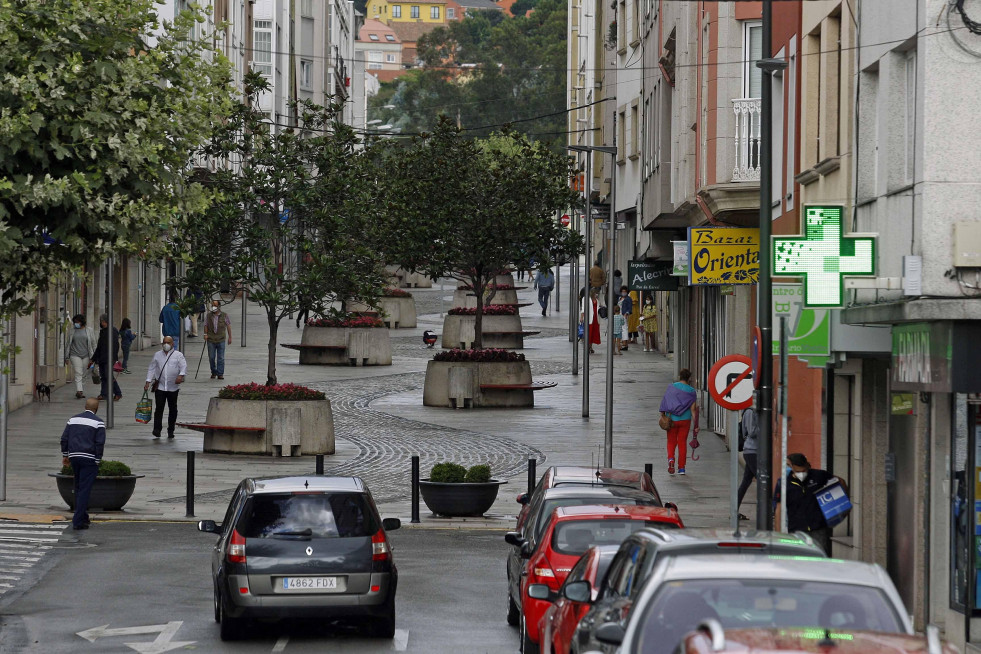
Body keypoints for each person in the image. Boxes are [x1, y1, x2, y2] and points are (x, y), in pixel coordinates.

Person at [777, 453, 839, 555]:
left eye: (803, 470)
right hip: (797, 530)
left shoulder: (819, 476)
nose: (801, 473)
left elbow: (839, 482)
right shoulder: (784, 483)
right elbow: (779, 509)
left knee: (820, 557)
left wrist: (841, 507)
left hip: (818, 529)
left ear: (807, 466)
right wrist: (779, 534)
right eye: (798, 471)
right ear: (792, 467)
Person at [60, 398, 106, 530]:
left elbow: (64, 438)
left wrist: (65, 455)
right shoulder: (98, 422)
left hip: (74, 456)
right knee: (85, 489)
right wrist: (97, 459)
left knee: (79, 487)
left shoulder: (73, 419)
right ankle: (78, 520)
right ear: (96, 409)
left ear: (85, 406)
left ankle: (83, 516)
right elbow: (99, 443)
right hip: (89, 458)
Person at [144, 336, 187, 439]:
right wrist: (148, 381)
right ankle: (157, 429)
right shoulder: (157, 355)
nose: (166, 344)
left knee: (173, 409)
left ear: (172, 344)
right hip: (160, 387)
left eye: (168, 342)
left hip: (173, 387)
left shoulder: (178, 355)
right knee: (159, 408)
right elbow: (152, 368)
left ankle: (171, 430)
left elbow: (183, 366)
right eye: (164, 342)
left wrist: (180, 376)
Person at [658, 369, 699, 475]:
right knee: (682, 443)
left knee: (671, 441)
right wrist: (696, 425)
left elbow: (665, 401)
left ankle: (671, 459)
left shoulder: (671, 387)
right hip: (685, 420)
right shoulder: (691, 391)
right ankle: (681, 468)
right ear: (689, 378)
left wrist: (662, 414)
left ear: (680, 376)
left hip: (672, 419)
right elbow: (693, 410)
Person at [91, 314, 122, 402]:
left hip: (109, 358)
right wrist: (94, 358)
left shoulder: (113, 331)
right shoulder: (103, 331)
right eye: (101, 321)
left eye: (103, 321)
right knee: (103, 376)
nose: (102, 323)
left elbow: (115, 345)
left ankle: (118, 393)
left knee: (108, 376)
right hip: (102, 358)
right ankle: (104, 394)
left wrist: (113, 358)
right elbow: (99, 346)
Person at [736, 406, 759, 520]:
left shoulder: (754, 411)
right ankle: (770, 510)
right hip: (752, 450)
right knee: (763, 481)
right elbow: (751, 432)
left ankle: (735, 510)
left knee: (746, 481)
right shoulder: (750, 411)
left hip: (754, 450)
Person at [65, 314, 96, 399]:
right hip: (74, 354)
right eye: (74, 322)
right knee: (78, 372)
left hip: (86, 355)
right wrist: (66, 357)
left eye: (77, 322)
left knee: (84, 373)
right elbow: (68, 344)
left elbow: (93, 344)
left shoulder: (89, 330)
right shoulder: (72, 331)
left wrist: (94, 357)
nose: (76, 324)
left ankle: (80, 388)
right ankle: (79, 391)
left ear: (82, 322)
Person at [204, 299, 232, 380]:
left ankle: (220, 373)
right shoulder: (208, 315)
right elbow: (205, 325)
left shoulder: (224, 315)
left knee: (221, 358)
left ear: (219, 306)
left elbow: (228, 326)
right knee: (211, 357)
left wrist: (230, 337)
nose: (213, 307)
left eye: (215, 305)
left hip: (221, 339)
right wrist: (205, 334)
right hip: (211, 339)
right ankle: (213, 371)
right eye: (212, 305)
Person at [579, 289, 601, 354]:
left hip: (595, 319)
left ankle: (590, 347)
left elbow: (598, 308)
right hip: (588, 318)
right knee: (588, 333)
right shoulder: (585, 299)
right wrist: (582, 317)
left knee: (593, 333)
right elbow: (583, 309)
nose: (596, 295)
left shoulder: (597, 300)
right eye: (595, 293)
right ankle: (587, 346)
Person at [617, 286, 633, 350]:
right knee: (621, 329)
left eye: (625, 291)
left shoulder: (628, 299)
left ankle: (624, 343)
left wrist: (627, 313)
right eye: (622, 291)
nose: (623, 292)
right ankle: (624, 343)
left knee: (624, 329)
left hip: (624, 315)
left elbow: (630, 308)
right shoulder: (620, 298)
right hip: (619, 315)